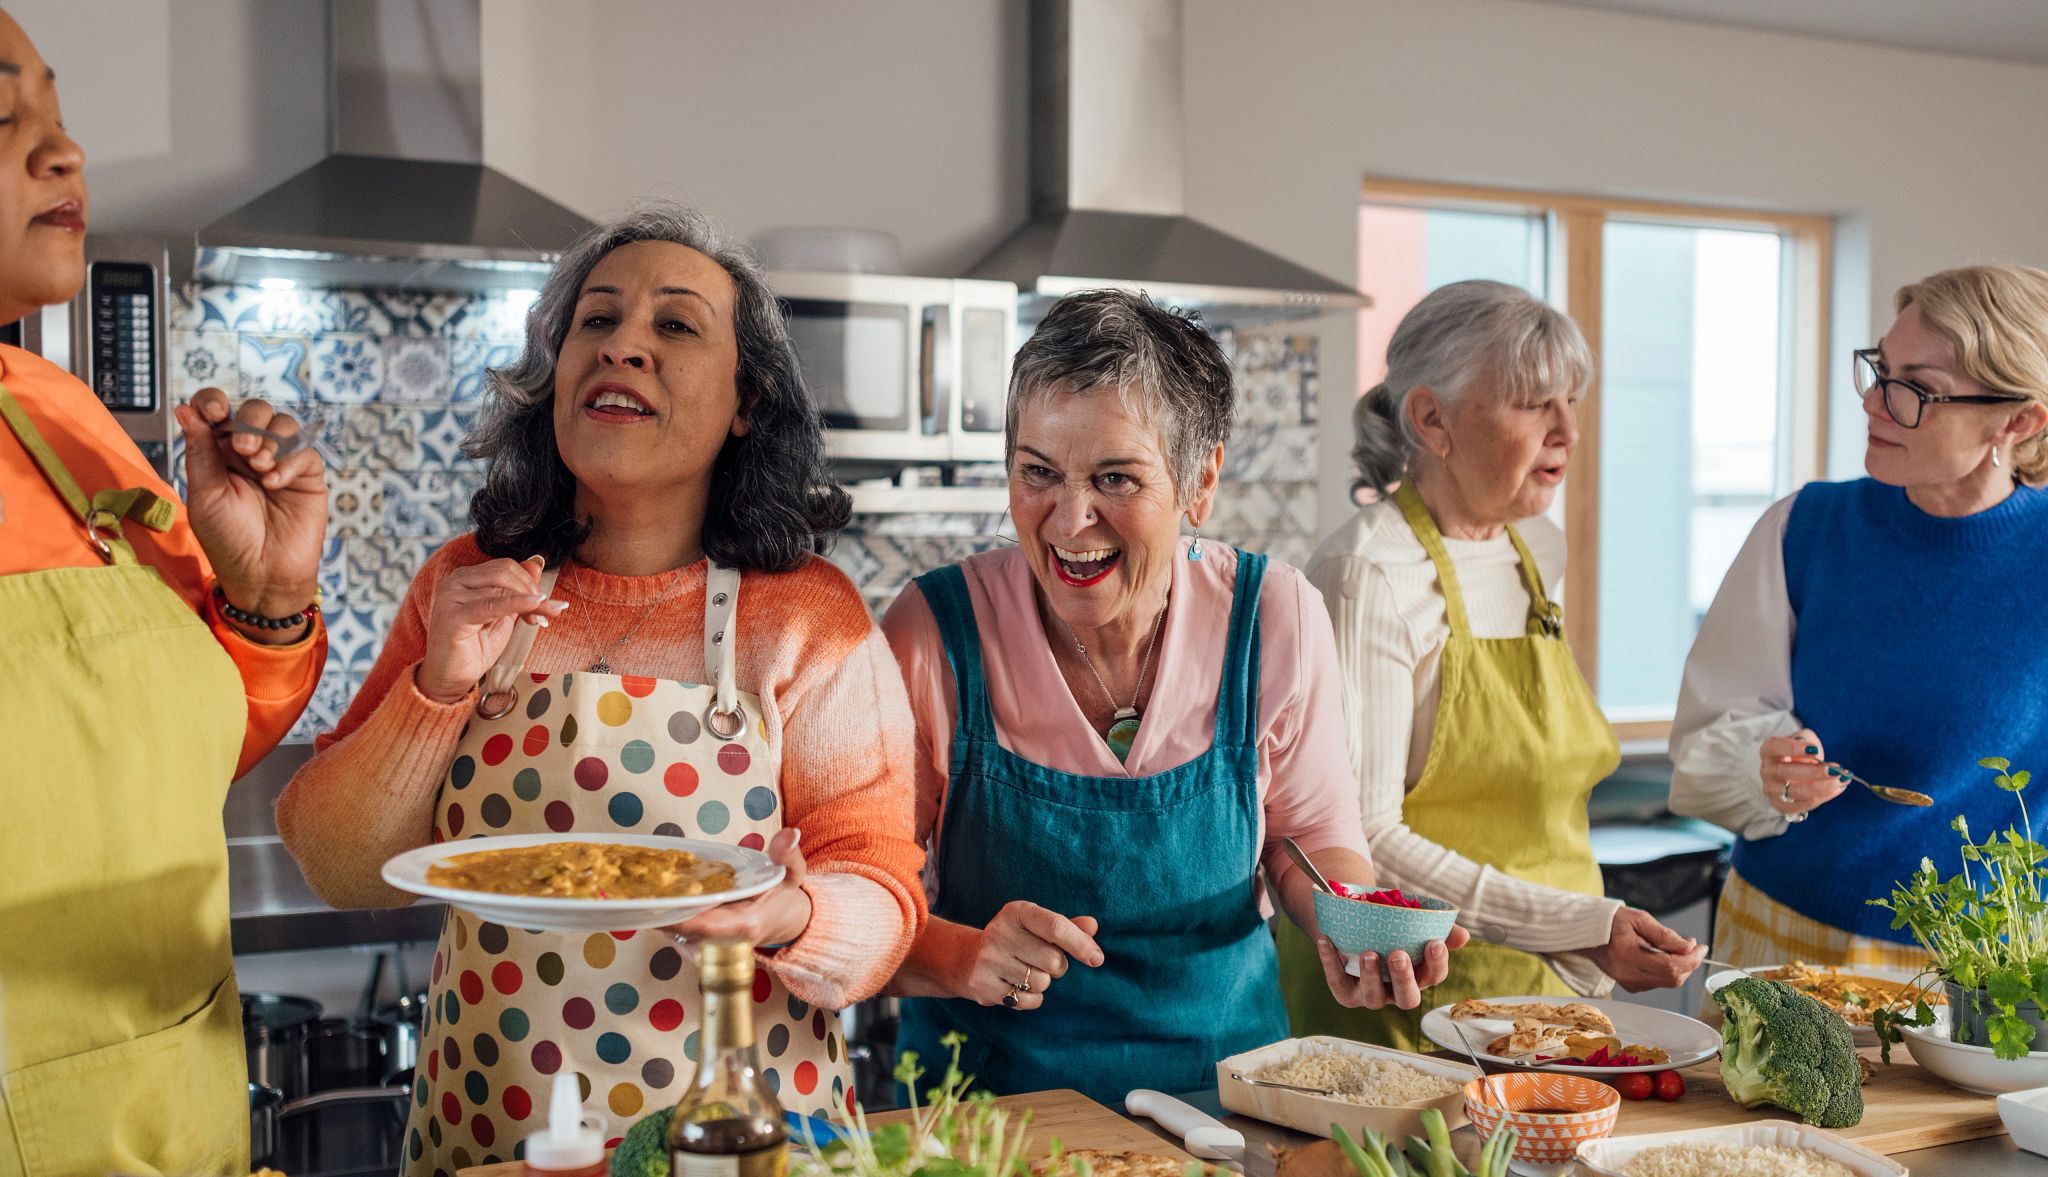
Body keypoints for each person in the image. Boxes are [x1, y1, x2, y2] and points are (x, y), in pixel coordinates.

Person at [276, 206, 924, 1175]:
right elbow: (337, 868)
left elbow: (882, 895)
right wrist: (438, 683)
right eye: (596, 320)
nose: (623, 345)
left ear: (745, 400)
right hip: (495, 1127)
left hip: (739, 1137)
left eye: (673, 326)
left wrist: (794, 913)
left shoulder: (807, 617)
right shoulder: (464, 581)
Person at [881, 289, 1461, 1103]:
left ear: (1200, 481)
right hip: (989, 1116)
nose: (1070, 519)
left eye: (1115, 478)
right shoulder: (933, 633)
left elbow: (1308, 834)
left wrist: (1349, 919)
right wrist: (961, 954)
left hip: (1228, 1100)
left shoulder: (1275, 616)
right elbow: (861, 895)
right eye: (1037, 473)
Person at [0, 10, 327, 1173]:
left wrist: (268, 602)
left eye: (58, 112)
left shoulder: (61, 415)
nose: (66, 153)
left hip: (175, 1124)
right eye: (4, 116)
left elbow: (172, 752)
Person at [1277, 281, 1703, 1052]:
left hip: (1553, 988)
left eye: (1571, 400)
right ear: (1432, 419)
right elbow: (1366, 833)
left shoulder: (1534, 550)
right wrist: (1578, 923)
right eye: (1534, 403)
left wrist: (1581, 930)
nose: (1567, 430)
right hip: (1415, 990)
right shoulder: (1366, 572)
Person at [1671, 264, 2048, 967]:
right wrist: (1765, 771)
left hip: (1981, 968)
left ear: (2018, 419)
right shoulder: (1804, 527)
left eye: (1919, 389)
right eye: (1880, 368)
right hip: (1782, 933)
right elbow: (1706, 730)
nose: (1876, 402)